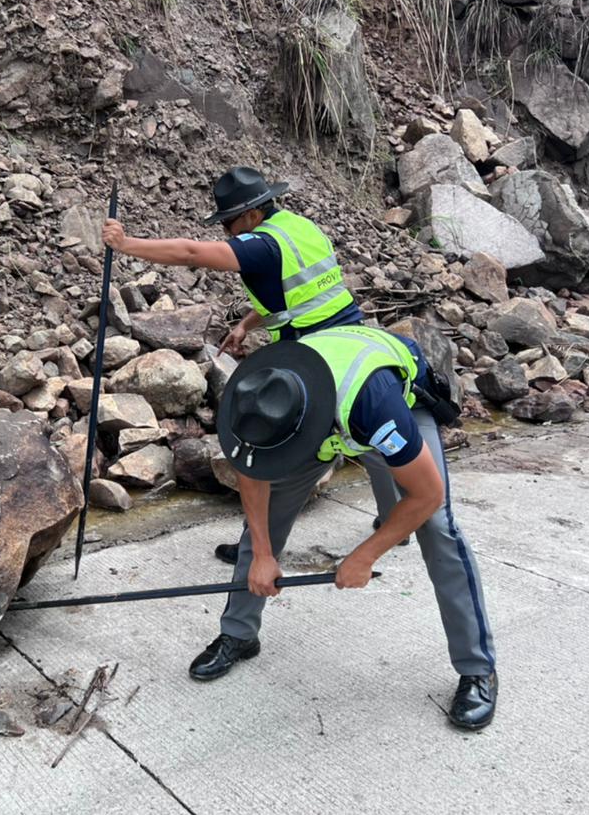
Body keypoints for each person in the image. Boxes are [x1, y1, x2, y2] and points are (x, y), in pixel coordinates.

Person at [196, 324, 499, 730]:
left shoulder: (373, 408)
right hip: (321, 419)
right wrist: (263, 556)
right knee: (263, 524)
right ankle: (239, 633)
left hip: (393, 401)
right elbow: (253, 474)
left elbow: (427, 494)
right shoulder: (254, 396)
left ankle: (477, 669)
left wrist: (364, 554)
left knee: (438, 528)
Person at [101, 165, 367, 563]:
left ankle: (253, 553)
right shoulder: (299, 228)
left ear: (252, 214)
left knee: (263, 442)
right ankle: (398, 515)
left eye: (228, 223)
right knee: (368, 425)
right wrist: (246, 323)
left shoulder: (260, 244)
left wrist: (125, 244)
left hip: (314, 353)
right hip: (352, 337)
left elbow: (191, 252)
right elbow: (300, 291)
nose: (227, 232)